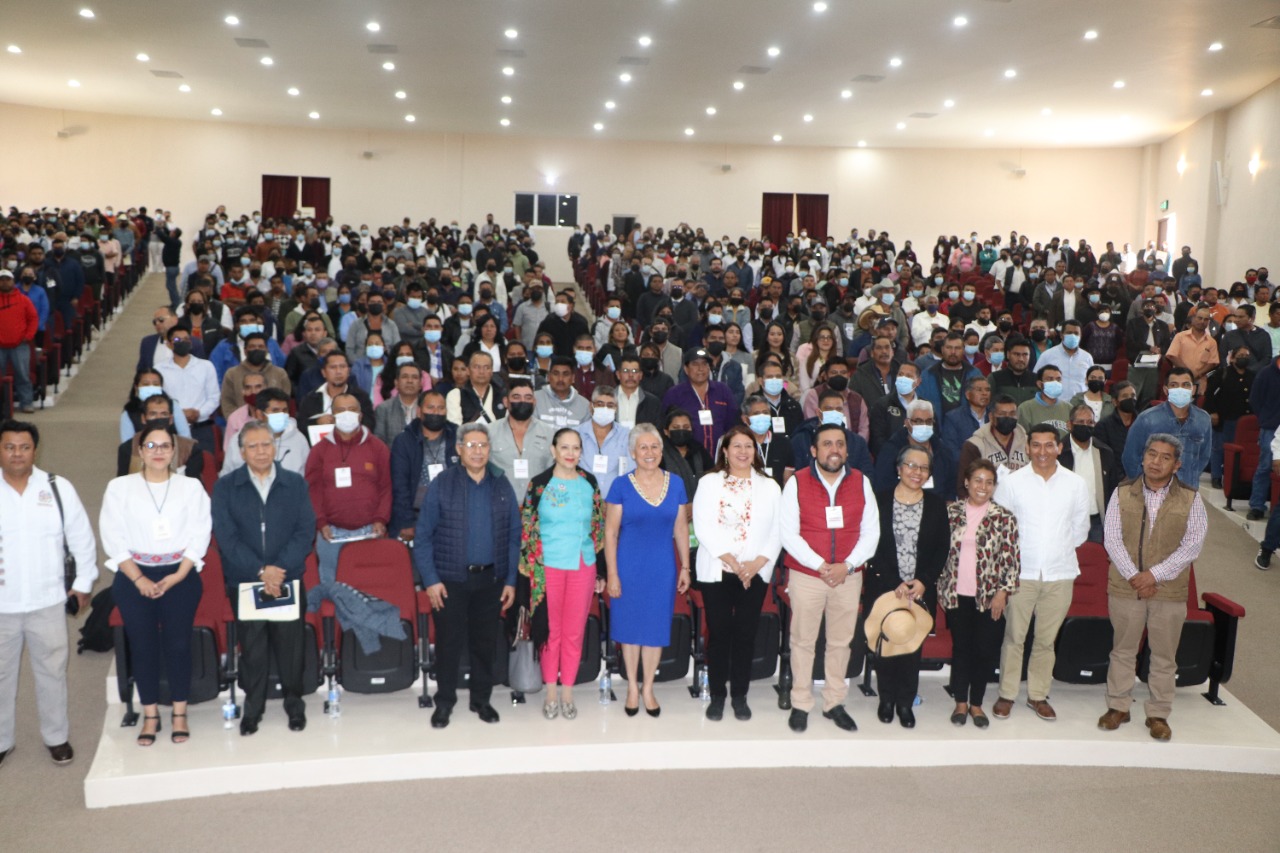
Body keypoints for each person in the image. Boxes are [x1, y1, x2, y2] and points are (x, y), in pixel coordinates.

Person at [99, 422, 212, 746]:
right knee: (143, 646)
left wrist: (178, 575)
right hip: (134, 575)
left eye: (165, 446)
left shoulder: (190, 487)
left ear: (174, 451)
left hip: (180, 575)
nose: (158, 452)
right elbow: (112, 535)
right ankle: (149, 714)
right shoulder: (120, 487)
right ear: (140, 450)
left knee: (178, 644)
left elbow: (200, 532)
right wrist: (138, 578)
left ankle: (179, 712)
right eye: (151, 445)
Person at [0, 420, 98, 767]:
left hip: (48, 600)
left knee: (52, 672)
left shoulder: (57, 488)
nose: (17, 454)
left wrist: (83, 583)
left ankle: (56, 737)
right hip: (2, 605)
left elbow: (81, 538)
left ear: (35, 451)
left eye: (24, 447)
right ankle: (2, 740)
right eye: (9, 447)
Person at [211, 421, 316, 735]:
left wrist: (278, 569)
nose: (260, 452)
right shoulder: (226, 488)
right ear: (242, 452)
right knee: (253, 649)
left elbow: (305, 531)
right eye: (253, 446)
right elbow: (226, 539)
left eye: (266, 444)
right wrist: (261, 571)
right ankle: (253, 710)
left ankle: (294, 706)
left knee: (291, 648)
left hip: (286, 578)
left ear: (275, 447)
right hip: (246, 581)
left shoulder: (294, 483)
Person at [1100, 434, 1206, 741]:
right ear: (1143, 457)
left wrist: (1153, 576)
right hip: (1126, 586)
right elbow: (1112, 539)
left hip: (1168, 590)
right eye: (1152, 454)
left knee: (1164, 655)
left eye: (1165, 457)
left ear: (1177, 464)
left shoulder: (1191, 498)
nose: (1156, 461)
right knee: (1123, 650)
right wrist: (1136, 576)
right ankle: (1118, 706)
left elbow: (1192, 545)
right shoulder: (1122, 492)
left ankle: (1158, 714)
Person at [414, 423, 519, 728]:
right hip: (450, 581)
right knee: (448, 645)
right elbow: (423, 537)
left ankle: (481, 700)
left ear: (490, 449)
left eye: (483, 445)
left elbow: (514, 536)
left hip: (491, 581)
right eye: (471, 446)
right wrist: (431, 580)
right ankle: (444, 702)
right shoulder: (443, 484)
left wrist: (510, 580)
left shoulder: (501, 483)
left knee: (484, 645)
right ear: (459, 450)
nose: (477, 451)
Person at [779, 423, 880, 733]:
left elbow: (871, 532)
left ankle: (834, 702)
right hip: (807, 575)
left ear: (847, 451)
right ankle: (800, 703)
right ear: (814, 450)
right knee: (803, 641)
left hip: (848, 577)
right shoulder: (797, 482)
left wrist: (846, 566)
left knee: (840, 642)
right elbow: (788, 533)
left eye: (839, 444)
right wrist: (821, 565)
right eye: (827, 444)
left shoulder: (861, 481)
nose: (834, 450)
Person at [991, 423, 1090, 721]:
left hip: (1060, 574)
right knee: (1014, 637)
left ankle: (1037, 695)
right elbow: (1002, 531)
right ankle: (1007, 694)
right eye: (1036, 445)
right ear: (1027, 448)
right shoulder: (1012, 483)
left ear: (1060, 448)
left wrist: (1056, 548)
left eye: (1049, 445)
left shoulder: (1076, 483)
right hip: (1021, 574)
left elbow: (1081, 528)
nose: (1042, 451)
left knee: (1046, 640)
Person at [692, 425, 783, 722]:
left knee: (745, 635)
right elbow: (702, 525)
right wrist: (732, 561)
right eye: (737, 446)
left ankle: (740, 696)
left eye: (748, 446)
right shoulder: (709, 482)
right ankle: (717, 696)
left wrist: (756, 564)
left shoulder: (770, 486)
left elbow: (777, 530)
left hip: (754, 572)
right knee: (719, 635)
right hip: (717, 569)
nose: (743, 452)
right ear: (725, 451)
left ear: (755, 451)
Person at [518, 429, 606, 720]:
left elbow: (597, 528)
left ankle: (568, 691)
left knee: (574, 632)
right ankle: (551, 692)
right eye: (564, 447)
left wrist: (601, 570)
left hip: (583, 565)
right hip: (547, 568)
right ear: (553, 450)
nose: (570, 453)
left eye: (576, 448)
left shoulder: (589, 483)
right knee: (551, 631)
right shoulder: (539, 485)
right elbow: (527, 529)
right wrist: (526, 574)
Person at [605, 423, 691, 717]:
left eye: (654, 446)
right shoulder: (620, 485)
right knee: (629, 628)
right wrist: (612, 573)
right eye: (643, 447)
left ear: (661, 450)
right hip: (628, 566)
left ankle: (648, 688)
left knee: (655, 628)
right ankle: (632, 686)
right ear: (632, 452)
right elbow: (610, 533)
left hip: (662, 567)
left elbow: (681, 528)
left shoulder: (676, 483)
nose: (649, 452)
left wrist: (685, 567)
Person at [865, 445, 949, 728]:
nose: (917, 472)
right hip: (884, 586)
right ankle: (886, 699)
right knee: (886, 642)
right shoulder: (879, 501)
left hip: (919, 590)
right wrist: (894, 583)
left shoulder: (936, 505)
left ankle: (905, 701)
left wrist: (923, 580)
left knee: (912, 646)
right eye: (911, 465)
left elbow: (942, 549)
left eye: (924, 468)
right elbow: (871, 544)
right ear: (899, 468)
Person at [939, 460, 1020, 728]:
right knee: (962, 649)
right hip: (956, 594)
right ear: (966, 482)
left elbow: (1011, 561)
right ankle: (960, 702)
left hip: (989, 597)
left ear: (994, 486)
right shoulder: (951, 513)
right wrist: (941, 588)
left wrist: (1002, 593)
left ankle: (976, 704)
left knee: (984, 651)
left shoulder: (1004, 517)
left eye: (989, 482)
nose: (983, 486)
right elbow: (939, 552)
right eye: (977, 480)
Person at [303, 393, 391, 584]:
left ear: (360, 415)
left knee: (370, 586)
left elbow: (386, 487)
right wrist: (321, 522)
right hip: (331, 533)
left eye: (352, 410)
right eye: (341, 410)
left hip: (370, 530)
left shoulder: (378, 447)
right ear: (332, 416)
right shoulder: (319, 450)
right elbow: (313, 490)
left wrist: (380, 519)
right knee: (332, 588)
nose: (347, 414)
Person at [1121, 367, 1211, 489]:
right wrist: (1146, 487)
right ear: (1165, 390)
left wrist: (1190, 478)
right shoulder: (1147, 419)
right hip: (1153, 491)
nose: (1180, 389)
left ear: (1193, 389)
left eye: (1185, 385)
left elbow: (1204, 457)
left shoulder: (1203, 419)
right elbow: (1130, 458)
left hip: (1187, 490)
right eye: (1174, 385)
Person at [389, 390, 457, 542]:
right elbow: (400, 485)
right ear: (419, 412)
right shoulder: (404, 441)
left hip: (452, 517)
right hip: (416, 517)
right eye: (430, 408)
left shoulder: (457, 437)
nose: (436, 412)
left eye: (441, 408)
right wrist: (406, 522)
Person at [155, 324, 221, 457]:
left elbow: (214, 397)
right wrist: (179, 414)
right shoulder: (159, 369)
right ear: (169, 344)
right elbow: (158, 400)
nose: (183, 342)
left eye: (186, 339)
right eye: (177, 340)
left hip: (201, 427)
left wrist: (198, 413)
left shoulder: (206, 366)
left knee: (205, 464)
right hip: (172, 429)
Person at [1060, 404, 1121, 542]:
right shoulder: (1059, 452)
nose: (1085, 426)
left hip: (1096, 522)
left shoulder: (1105, 452)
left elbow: (1113, 490)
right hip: (1067, 521)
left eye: (1090, 422)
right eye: (1080, 422)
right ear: (1069, 425)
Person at [662, 348, 737, 455]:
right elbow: (666, 428)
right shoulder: (674, 394)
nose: (701, 369)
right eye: (695, 364)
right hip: (687, 457)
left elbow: (733, 424)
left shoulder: (723, 391)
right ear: (686, 369)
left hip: (719, 456)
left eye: (704, 364)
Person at [489, 378, 554, 500]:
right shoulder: (490, 432)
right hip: (500, 502)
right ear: (506, 402)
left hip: (538, 503)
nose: (523, 401)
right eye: (516, 397)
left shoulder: (549, 433)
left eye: (528, 398)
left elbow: (553, 472)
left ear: (534, 402)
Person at [296, 352, 376, 444]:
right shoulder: (310, 398)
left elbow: (369, 425)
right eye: (333, 367)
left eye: (342, 367)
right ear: (324, 372)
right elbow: (300, 425)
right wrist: (317, 422)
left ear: (348, 371)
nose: (338, 371)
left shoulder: (360, 397)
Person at [956, 395, 1028, 496]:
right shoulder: (974, 445)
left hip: (1023, 501)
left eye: (1012, 414)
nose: (1008, 418)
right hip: (988, 503)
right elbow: (964, 485)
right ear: (991, 417)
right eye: (1002, 414)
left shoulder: (1028, 442)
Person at [1203, 346, 1254, 490]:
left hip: (1244, 420)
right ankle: (1216, 476)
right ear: (1232, 358)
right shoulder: (1222, 373)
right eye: (1240, 355)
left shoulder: (1252, 375)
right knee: (1219, 448)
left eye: (1246, 355)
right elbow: (1210, 394)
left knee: (1238, 451)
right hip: (1224, 418)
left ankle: (1232, 478)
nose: (1244, 358)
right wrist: (1212, 412)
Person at [0, 270, 40, 414]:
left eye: (7, 279)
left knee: (23, 375)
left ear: (13, 281)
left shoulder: (23, 300)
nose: (5, 282)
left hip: (20, 345)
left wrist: (28, 336)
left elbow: (33, 318)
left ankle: (26, 403)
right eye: (2, 280)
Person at [1016, 364, 1072, 438]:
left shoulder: (1069, 408)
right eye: (1050, 379)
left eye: (1058, 379)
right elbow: (1021, 437)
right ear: (1039, 384)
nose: (1055, 382)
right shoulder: (1025, 408)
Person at [534, 356, 591, 427]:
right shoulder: (534, 399)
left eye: (565, 374)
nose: (560, 379)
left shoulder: (584, 405)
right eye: (556, 374)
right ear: (548, 377)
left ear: (573, 378)